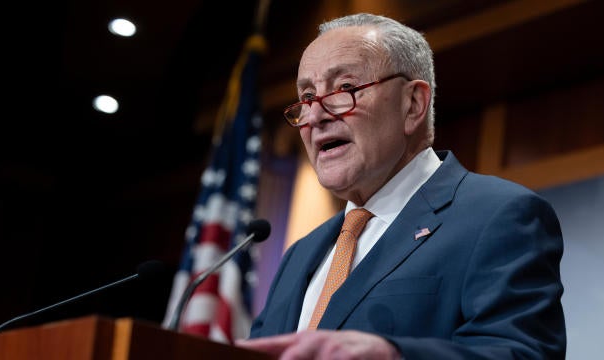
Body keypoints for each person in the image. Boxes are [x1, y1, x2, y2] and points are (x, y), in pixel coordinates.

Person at [236, 13, 566, 359]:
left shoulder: (499, 216)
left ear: (413, 104)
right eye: (306, 97)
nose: (315, 116)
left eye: (345, 88)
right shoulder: (299, 254)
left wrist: (393, 355)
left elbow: (522, 353)